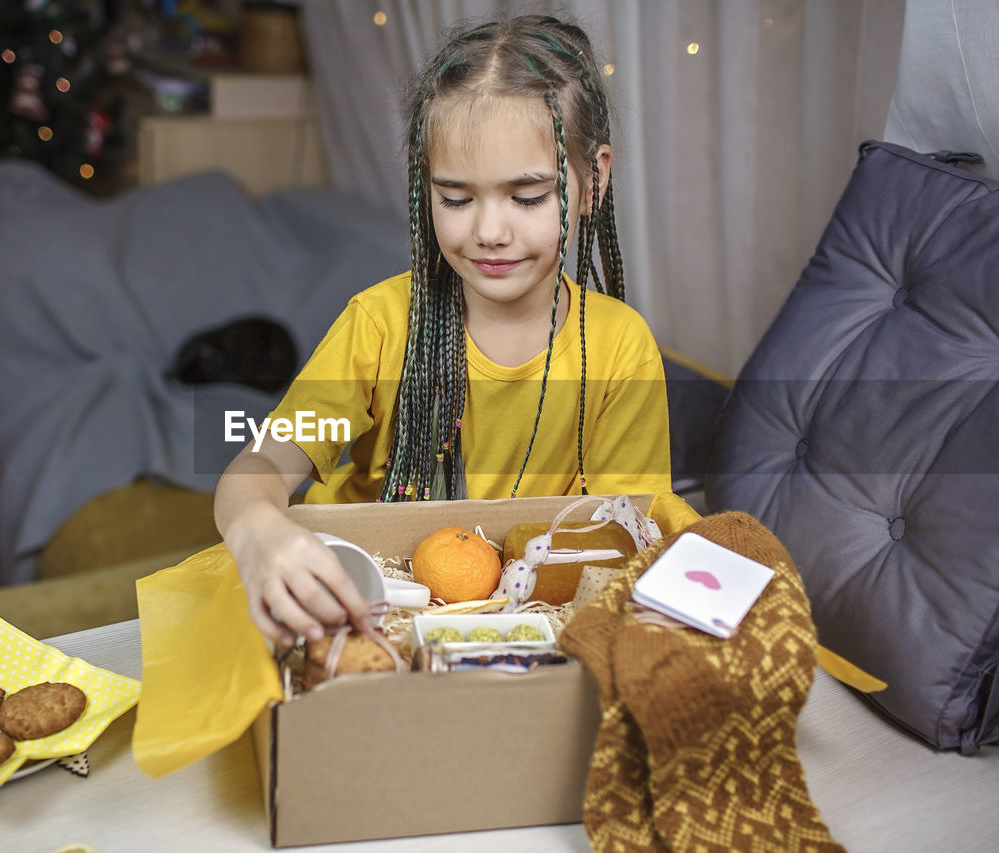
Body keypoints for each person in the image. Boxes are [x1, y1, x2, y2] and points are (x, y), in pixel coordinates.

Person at [214, 14, 671, 646]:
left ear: (590, 181)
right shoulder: (379, 324)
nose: (488, 230)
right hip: (359, 597)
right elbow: (266, 458)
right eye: (456, 199)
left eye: (527, 196)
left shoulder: (621, 348)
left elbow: (628, 535)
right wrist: (257, 531)